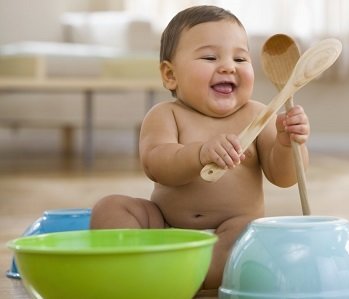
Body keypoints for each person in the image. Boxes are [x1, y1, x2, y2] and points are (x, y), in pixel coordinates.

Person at [90, 4, 310, 293]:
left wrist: (286, 144)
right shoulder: (165, 115)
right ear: (170, 75)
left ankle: (188, 280)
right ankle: (139, 268)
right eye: (209, 57)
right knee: (110, 207)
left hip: (229, 232)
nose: (228, 66)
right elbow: (156, 164)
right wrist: (199, 153)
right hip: (165, 229)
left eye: (241, 58)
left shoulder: (258, 116)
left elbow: (284, 177)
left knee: (251, 232)